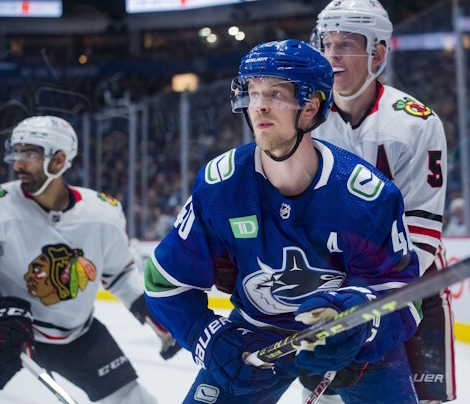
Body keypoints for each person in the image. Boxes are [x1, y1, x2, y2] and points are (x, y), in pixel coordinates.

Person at [144, 39, 422, 404]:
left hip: (342, 335)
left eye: (275, 93)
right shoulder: (221, 186)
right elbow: (164, 282)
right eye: (253, 91)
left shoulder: (365, 197)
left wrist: (360, 325)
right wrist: (206, 337)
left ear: (310, 107)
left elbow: (405, 298)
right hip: (254, 332)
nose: (258, 105)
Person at [0, 115, 180, 403]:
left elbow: (119, 275)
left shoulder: (103, 214)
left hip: (74, 335)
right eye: (17, 152)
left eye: (29, 153)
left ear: (58, 161)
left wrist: (159, 316)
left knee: (134, 401)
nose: (17, 163)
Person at [309, 0, 453, 403]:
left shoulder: (414, 123)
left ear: (379, 53)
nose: (332, 56)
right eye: (327, 44)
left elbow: (421, 238)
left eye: (347, 45)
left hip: (413, 292)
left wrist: (369, 313)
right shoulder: (305, 122)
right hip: (330, 292)